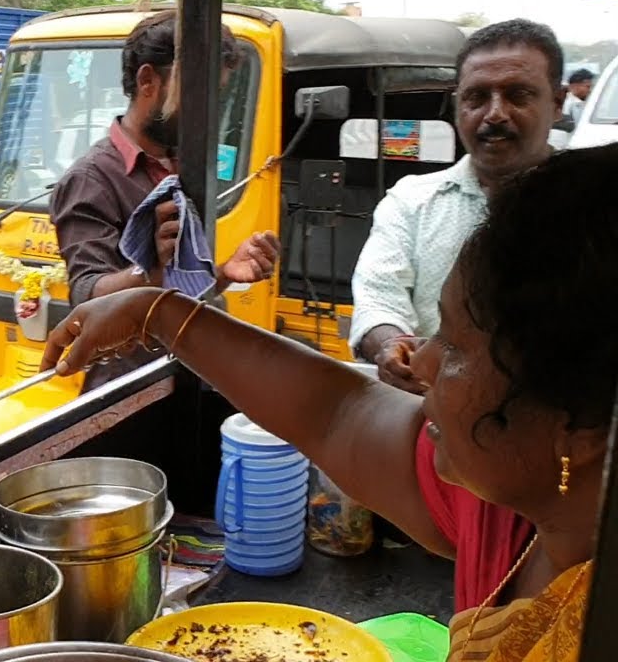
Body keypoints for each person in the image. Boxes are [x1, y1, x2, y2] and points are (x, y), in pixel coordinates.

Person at [43, 142, 618, 661]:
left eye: (455, 345)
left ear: (582, 424)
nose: (423, 362)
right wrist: (158, 312)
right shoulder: (513, 500)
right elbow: (337, 414)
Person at [50, 10, 278, 392]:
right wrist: (148, 269)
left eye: (217, 97)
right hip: (132, 393)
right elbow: (88, 293)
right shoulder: (91, 179)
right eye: (198, 95)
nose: (209, 112)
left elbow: (178, 291)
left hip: (188, 378)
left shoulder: (183, 165)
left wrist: (224, 271)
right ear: (148, 81)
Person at [350, 19, 564, 394]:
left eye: (517, 95)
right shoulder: (411, 202)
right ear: (457, 105)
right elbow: (378, 298)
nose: (495, 114)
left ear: (558, 103)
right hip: (435, 414)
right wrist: (393, 345)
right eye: (476, 98)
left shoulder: (599, 206)